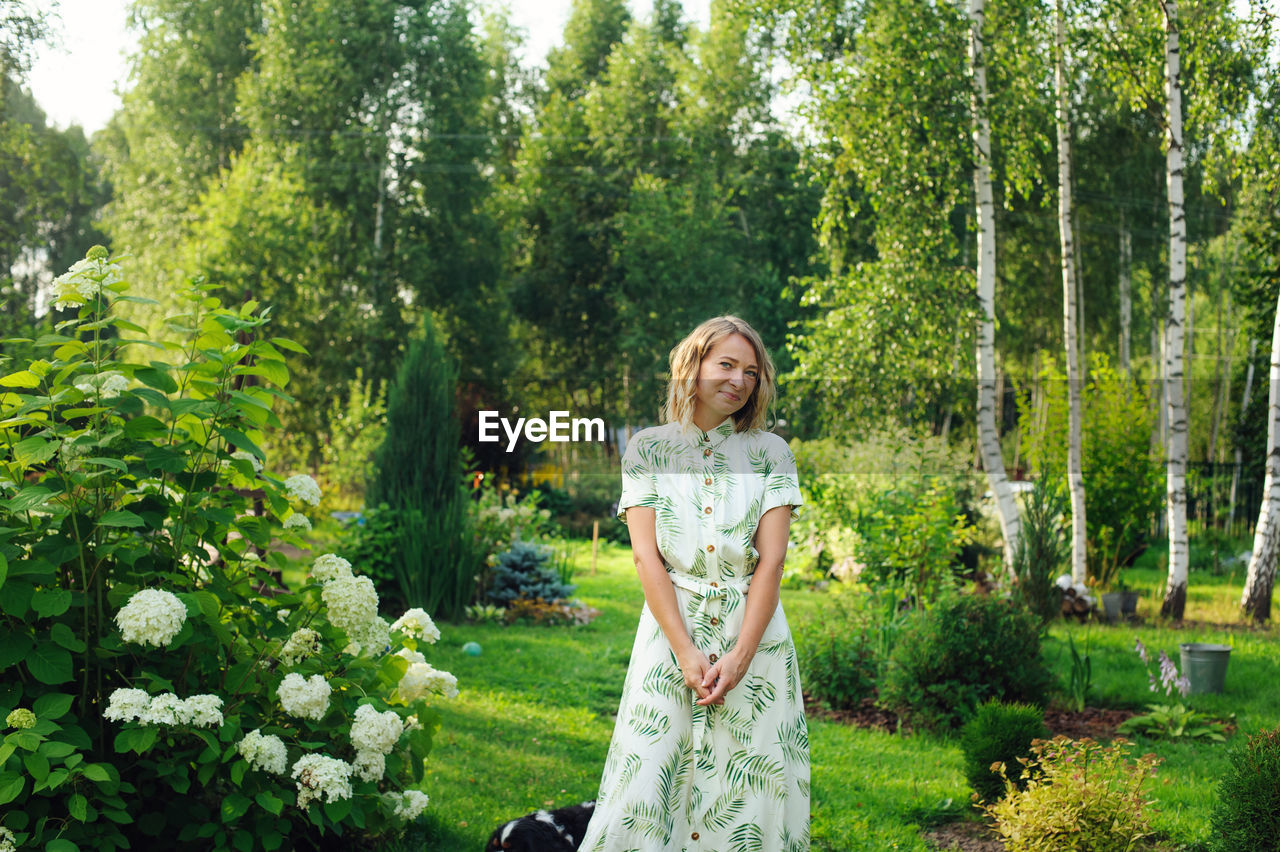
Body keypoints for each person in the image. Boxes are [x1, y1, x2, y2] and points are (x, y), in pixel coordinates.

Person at [579, 316, 809, 852]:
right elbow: (645, 556)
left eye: (751, 372)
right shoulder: (648, 450)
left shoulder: (772, 453)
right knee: (650, 771)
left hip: (754, 635)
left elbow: (772, 562)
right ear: (693, 366)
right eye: (726, 364)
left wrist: (740, 656)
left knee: (747, 784)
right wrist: (684, 651)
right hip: (668, 633)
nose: (739, 380)